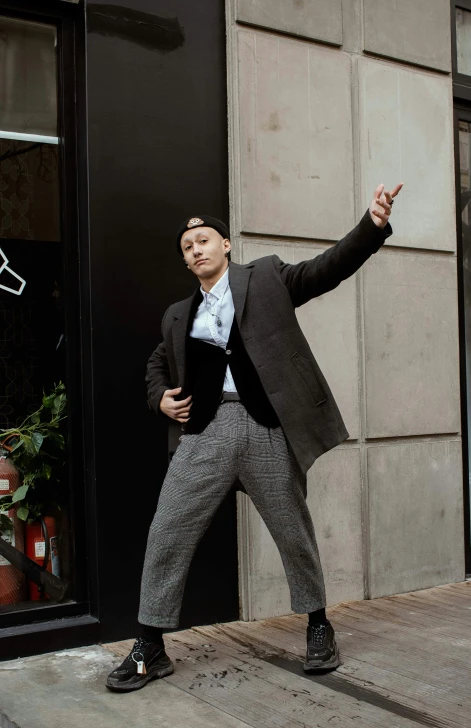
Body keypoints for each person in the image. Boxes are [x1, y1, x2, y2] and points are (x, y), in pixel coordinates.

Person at [106, 182, 403, 692]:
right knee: (167, 530)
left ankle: (318, 627)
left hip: (265, 425)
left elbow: (325, 269)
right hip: (206, 432)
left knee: (293, 530)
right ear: (185, 261)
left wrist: (372, 225)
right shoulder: (180, 314)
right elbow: (157, 363)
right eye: (186, 247)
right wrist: (158, 398)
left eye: (203, 240)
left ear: (224, 245)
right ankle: (150, 646)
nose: (195, 248)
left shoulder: (265, 277)